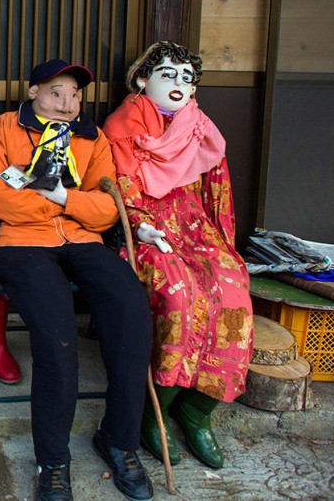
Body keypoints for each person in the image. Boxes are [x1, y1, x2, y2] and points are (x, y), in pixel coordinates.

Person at [0, 59, 154, 501]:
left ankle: (118, 439)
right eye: (56, 92)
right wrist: (67, 203)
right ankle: (52, 460)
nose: (67, 103)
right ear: (33, 92)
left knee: (131, 310)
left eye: (75, 95)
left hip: (81, 240)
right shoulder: (0, 131)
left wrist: (63, 198)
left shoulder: (92, 139)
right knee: (56, 331)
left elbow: (109, 208)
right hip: (17, 242)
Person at [102, 41, 253, 470]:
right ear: (142, 79)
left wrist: (222, 245)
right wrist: (137, 225)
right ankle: (156, 411)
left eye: (187, 77)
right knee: (181, 298)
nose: (179, 84)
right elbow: (114, 190)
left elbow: (217, 196)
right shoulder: (121, 129)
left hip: (198, 232)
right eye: (168, 74)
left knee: (233, 294)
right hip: (147, 233)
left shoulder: (201, 128)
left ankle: (198, 410)